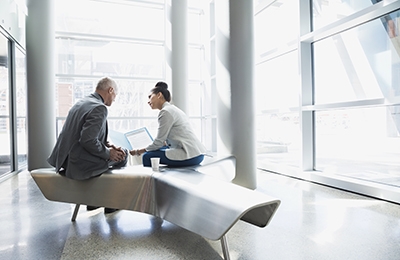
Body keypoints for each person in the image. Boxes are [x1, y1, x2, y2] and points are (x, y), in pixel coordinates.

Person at [47, 77, 128, 213]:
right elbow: (88, 141)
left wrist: (109, 146)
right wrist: (109, 153)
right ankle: (110, 202)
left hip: (65, 160)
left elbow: (83, 135)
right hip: (78, 163)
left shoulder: (82, 102)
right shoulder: (99, 108)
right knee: (123, 156)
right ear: (111, 90)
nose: (114, 99)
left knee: (113, 154)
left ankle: (93, 201)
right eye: (115, 95)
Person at [130, 81, 207, 167]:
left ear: (159, 95)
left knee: (147, 156)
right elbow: (163, 142)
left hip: (190, 155)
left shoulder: (165, 112)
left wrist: (138, 151)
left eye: (150, 97)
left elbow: (159, 142)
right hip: (197, 153)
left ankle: (152, 180)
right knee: (153, 151)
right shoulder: (173, 109)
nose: (148, 101)